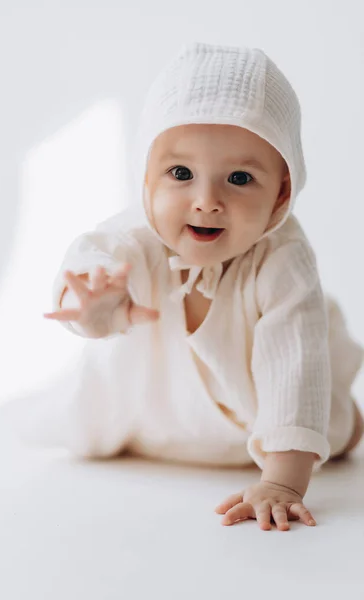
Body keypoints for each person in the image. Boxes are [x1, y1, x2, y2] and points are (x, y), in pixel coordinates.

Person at [43, 42, 364, 531]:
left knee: (329, 422)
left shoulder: (281, 260)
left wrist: (281, 482)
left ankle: (346, 419)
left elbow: (295, 370)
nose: (206, 200)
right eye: (180, 173)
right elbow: (91, 260)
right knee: (84, 414)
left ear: (282, 191)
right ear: (147, 175)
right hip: (145, 420)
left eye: (238, 177)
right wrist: (91, 307)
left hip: (257, 437)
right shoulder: (133, 239)